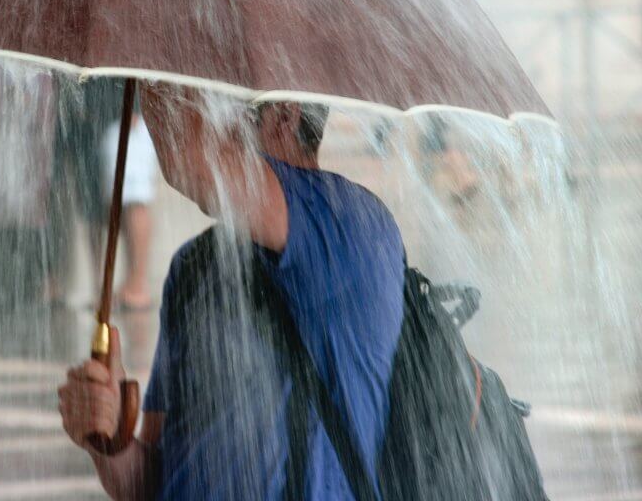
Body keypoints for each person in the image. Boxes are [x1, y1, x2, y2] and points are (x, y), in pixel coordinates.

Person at [59, 86, 407, 499]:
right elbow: (152, 484)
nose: (208, 119)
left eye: (220, 105)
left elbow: (188, 159)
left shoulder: (353, 223)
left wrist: (146, 57)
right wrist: (112, 442)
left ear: (284, 114)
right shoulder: (195, 265)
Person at [99, 109, 160, 311]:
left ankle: (137, 287)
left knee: (134, 198)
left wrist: (133, 107)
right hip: (104, 116)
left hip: (126, 113)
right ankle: (131, 284)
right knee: (123, 201)